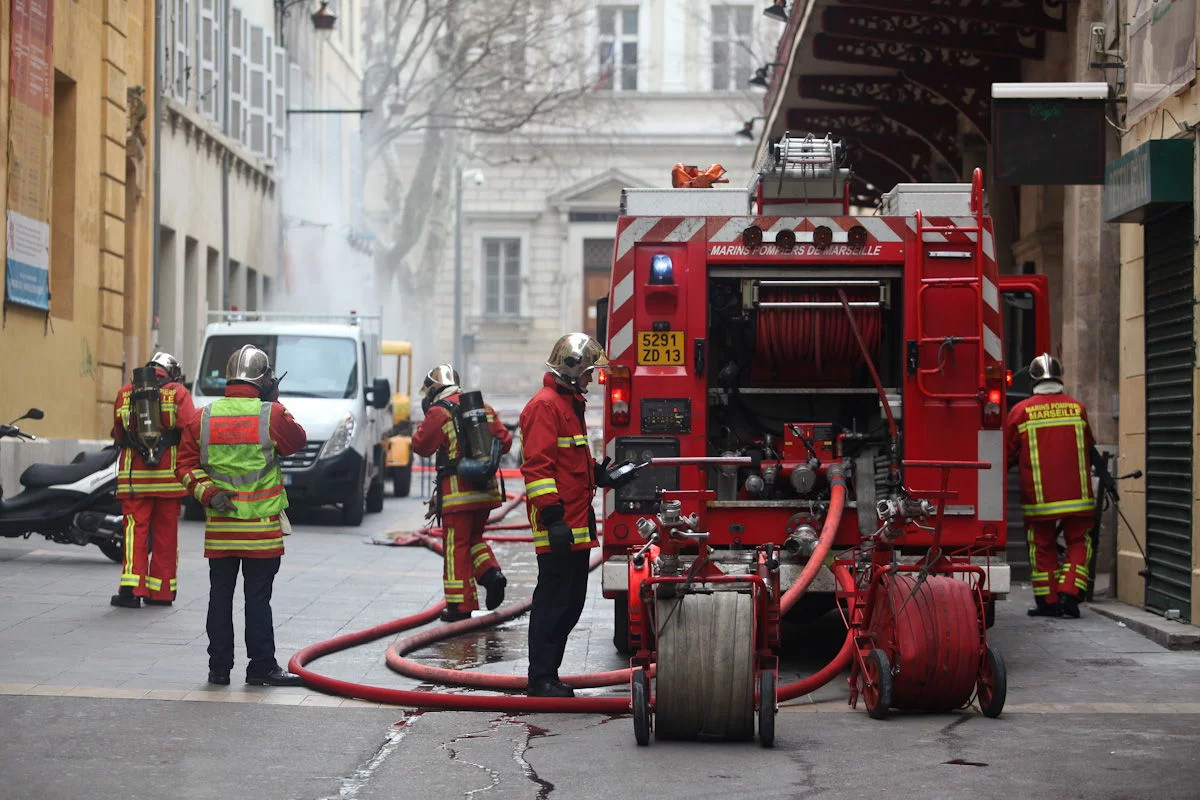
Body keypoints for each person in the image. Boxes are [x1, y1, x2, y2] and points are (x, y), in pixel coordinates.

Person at [176, 344, 308, 686]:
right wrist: (276, 401)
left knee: (219, 596)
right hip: (261, 529)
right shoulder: (271, 415)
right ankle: (260, 666)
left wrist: (209, 493)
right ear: (264, 380)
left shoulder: (203, 416)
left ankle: (218, 668)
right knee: (257, 599)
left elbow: (186, 466)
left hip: (221, 528)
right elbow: (296, 441)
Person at [519, 333, 634, 698]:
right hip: (560, 523)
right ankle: (541, 679)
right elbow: (538, 469)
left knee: (571, 603)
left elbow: (569, 462)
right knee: (554, 602)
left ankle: (549, 674)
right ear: (572, 368)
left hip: (575, 520)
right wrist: (553, 518)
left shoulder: (568, 404)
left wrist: (599, 475)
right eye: (588, 372)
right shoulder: (545, 407)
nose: (591, 379)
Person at [411, 364, 513, 622]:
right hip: (485, 491)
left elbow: (420, 446)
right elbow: (506, 441)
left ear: (434, 389)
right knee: (474, 539)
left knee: (455, 546)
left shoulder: (438, 412)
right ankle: (492, 575)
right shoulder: (483, 408)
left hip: (457, 495)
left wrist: (428, 416)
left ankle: (460, 606)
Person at [1006, 353, 1097, 619]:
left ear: (1033, 379)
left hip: (1039, 498)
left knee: (1041, 545)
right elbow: (1089, 446)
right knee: (1079, 542)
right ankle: (1070, 594)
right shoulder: (1077, 408)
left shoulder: (1020, 411)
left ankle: (1048, 601)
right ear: (1059, 377)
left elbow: (1007, 453)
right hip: (1077, 496)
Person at [110, 352, 195, 609]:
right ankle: (162, 592)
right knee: (166, 534)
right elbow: (190, 429)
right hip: (168, 478)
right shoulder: (178, 392)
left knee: (135, 530)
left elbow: (118, 432)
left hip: (134, 477)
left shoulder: (126, 392)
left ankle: (132, 589)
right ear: (170, 372)